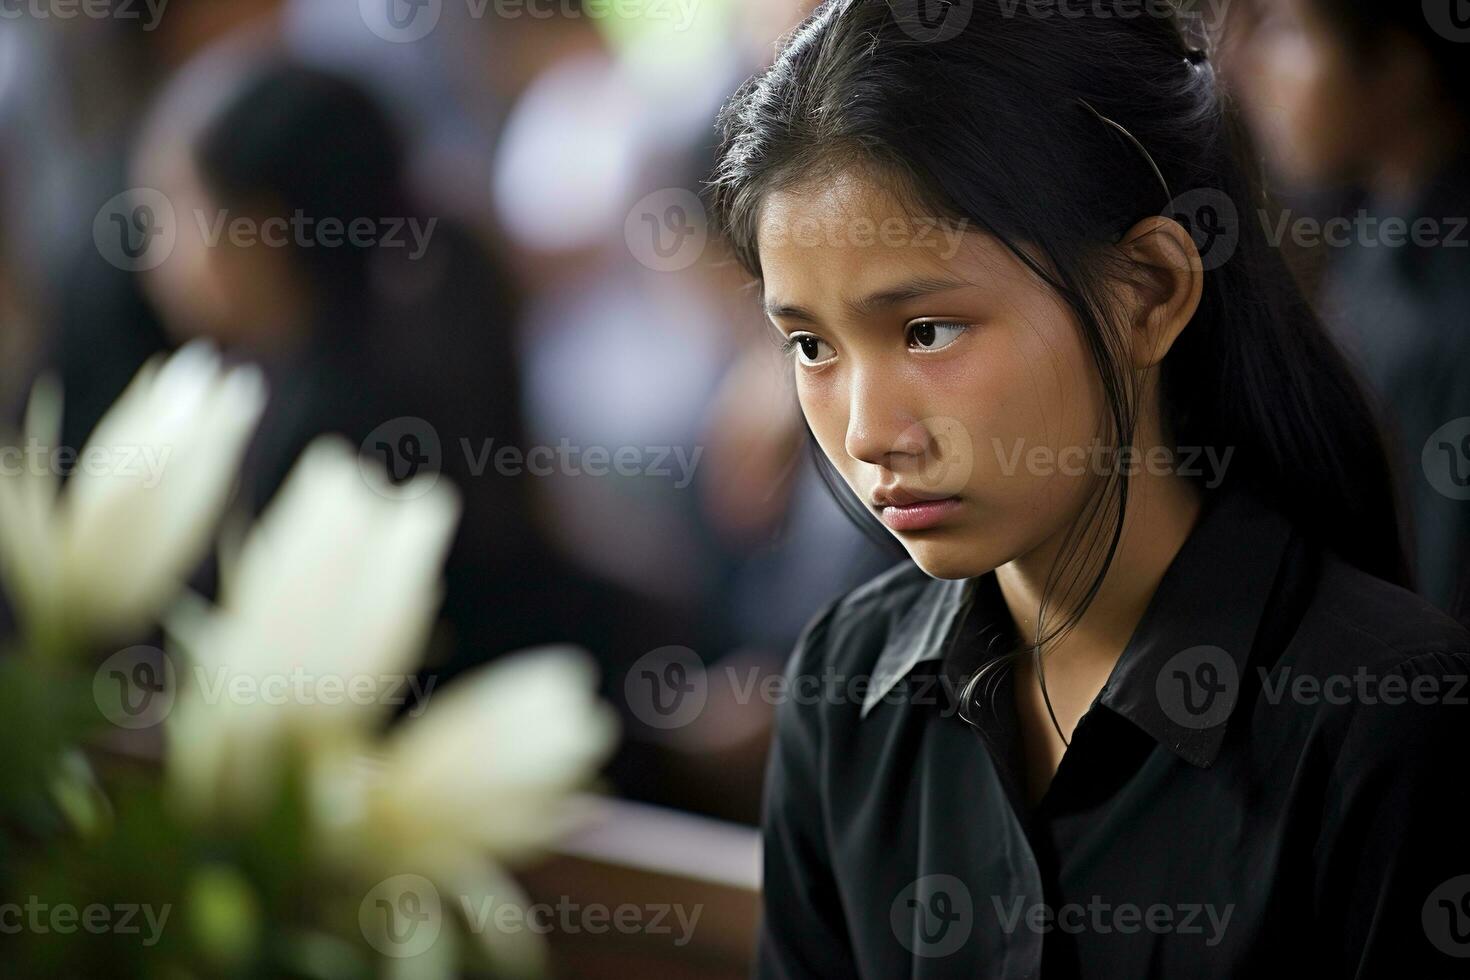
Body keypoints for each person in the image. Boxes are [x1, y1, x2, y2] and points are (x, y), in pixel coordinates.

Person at [707, 1, 1470, 976]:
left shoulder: (1388, 721)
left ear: (1148, 289)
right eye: (811, 344)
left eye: (927, 330)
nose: (866, 433)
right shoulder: (844, 685)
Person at [1224, 0, 1470, 620]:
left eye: (1284, 29)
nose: (1240, 65)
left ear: (1399, 64)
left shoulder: (1442, 317)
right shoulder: (1376, 232)